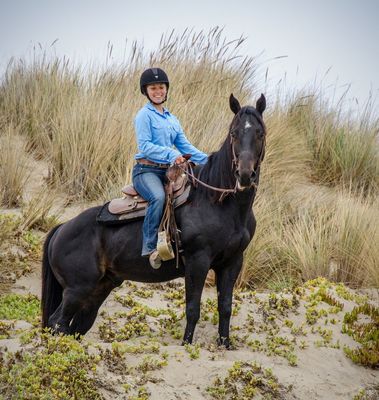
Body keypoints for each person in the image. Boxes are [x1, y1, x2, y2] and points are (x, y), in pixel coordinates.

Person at [132, 67, 208, 269]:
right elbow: (145, 146)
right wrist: (172, 154)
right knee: (158, 197)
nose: (158, 91)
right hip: (146, 171)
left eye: (161, 87)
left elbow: (185, 146)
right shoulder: (143, 116)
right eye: (153, 88)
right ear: (146, 91)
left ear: (166, 89)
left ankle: (179, 244)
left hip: (169, 172)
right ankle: (149, 247)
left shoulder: (172, 119)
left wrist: (210, 160)